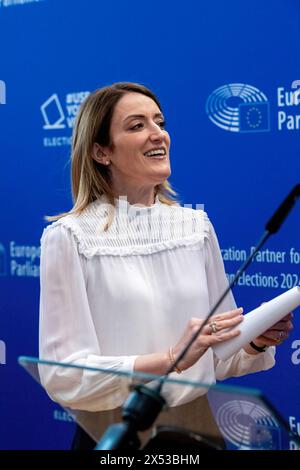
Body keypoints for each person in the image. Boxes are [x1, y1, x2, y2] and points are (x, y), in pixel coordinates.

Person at [39, 82, 293, 450]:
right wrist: (171, 359)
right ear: (100, 151)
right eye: (137, 125)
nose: (158, 134)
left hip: (198, 432)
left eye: (159, 122)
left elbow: (218, 358)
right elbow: (64, 376)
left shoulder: (195, 227)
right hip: (119, 436)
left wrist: (252, 341)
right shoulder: (71, 237)